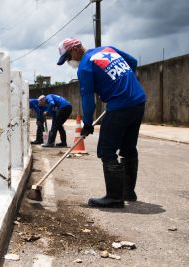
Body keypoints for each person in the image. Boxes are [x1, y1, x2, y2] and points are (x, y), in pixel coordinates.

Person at [57, 37, 146, 208]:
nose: (69, 62)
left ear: (75, 50)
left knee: (106, 150)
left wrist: (88, 123)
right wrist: (126, 84)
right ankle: (128, 192)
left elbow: (88, 100)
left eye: (68, 58)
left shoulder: (84, 67)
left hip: (120, 106)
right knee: (128, 148)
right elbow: (133, 62)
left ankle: (114, 197)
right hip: (138, 101)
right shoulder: (107, 49)